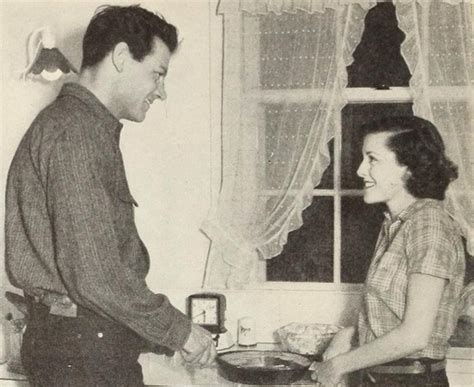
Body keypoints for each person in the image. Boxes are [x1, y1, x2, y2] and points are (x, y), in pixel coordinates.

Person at [5, 5, 216, 386]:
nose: (162, 92)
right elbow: (96, 277)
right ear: (121, 57)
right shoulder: (77, 134)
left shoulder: (80, 128)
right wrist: (180, 331)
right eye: (158, 73)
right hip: (84, 353)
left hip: (78, 344)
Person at [311, 116, 465, 386]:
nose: (360, 170)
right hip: (382, 378)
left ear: (408, 168)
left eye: (372, 159)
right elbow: (392, 313)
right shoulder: (396, 224)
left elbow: (414, 335)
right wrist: (348, 334)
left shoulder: (428, 224)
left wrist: (338, 366)